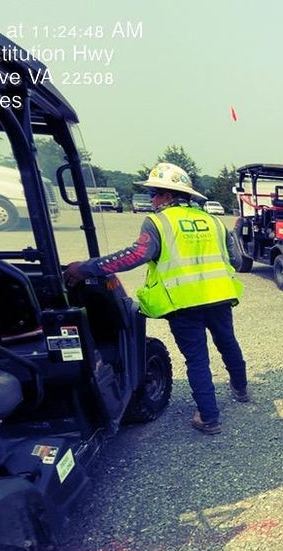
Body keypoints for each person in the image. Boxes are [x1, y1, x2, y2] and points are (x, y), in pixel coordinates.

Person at [63, 162, 249, 435]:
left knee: (197, 360)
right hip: (220, 296)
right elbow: (234, 259)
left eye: (154, 193)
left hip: (183, 303)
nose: (150, 199)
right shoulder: (214, 221)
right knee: (228, 343)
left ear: (169, 195)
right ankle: (241, 389)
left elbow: (135, 255)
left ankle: (209, 418)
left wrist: (86, 268)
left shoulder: (159, 222)